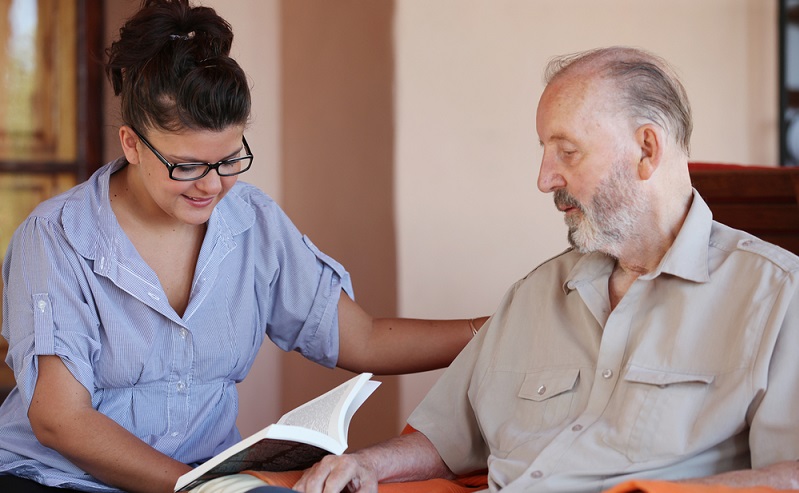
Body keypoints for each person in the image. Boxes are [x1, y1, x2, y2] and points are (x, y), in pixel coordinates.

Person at [0, 1, 486, 492]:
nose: (211, 186)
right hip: (56, 480)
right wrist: (202, 489)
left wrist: (499, 327)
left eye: (230, 160)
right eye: (186, 166)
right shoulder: (56, 237)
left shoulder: (251, 220)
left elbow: (363, 340)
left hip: (206, 481)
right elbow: (59, 420)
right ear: (130, 144)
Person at [293, 46, 799, 493]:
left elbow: (789, 474)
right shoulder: (535, 293)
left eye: (568, 151)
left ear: (647, 150)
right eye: (544, 151)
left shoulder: (776, 297)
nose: (544, 179)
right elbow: (445, 440)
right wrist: (365, 464)